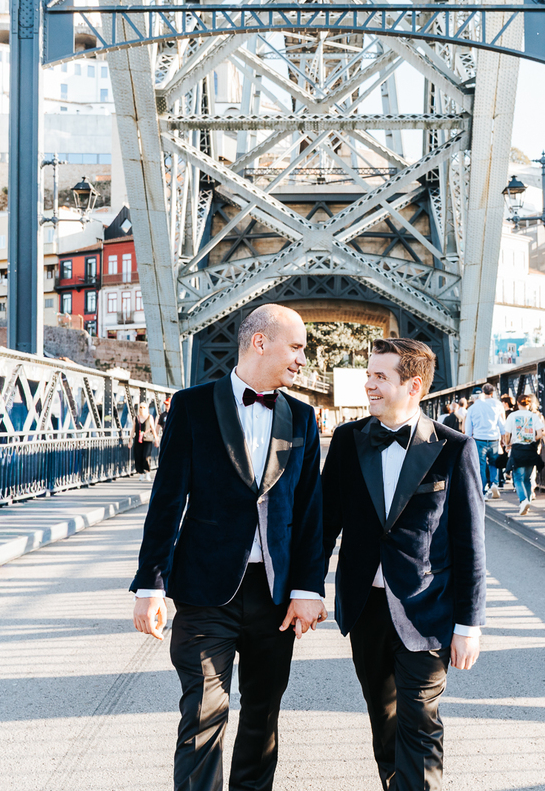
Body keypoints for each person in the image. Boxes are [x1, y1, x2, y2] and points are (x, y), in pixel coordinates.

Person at [129, 303, 327, 791]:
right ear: (261, 342)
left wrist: (308, 587)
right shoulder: (192, 405)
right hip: (204, 591)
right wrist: (150, 585)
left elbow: (309, 514)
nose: (303, 359)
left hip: (275, 596)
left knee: (262, 718)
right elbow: (167, 500)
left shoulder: (302, 419)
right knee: (202, 717)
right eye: (297, 347)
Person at [322, 338, 486, 791]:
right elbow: (324, 524)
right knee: (385, 723)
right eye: (368, 374)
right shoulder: (347, 440)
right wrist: (307, 589)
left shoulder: (455, 448)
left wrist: (470, 625)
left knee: (421, 723)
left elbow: (470, 543)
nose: (368, 384)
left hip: (428, 610)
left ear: (412, 385)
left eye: (380, 376)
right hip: (366, 609)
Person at [503, 394, 544, 516]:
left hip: (517, 450)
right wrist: (531, 440)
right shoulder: (534, 416)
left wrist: (508, 443)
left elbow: (507, 434)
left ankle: (523, 500)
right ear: (529, 404)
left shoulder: (512, 416)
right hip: (531, 450)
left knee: (517, 478)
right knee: (527, 478)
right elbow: (540, 434)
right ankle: (528, 501)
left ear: (518, 403)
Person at [464, 383, 506, 499]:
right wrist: (503, 439)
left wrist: (468, 440)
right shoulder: (495, 406)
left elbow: (468, 428)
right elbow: (501, 424)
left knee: (481, 465)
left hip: (479, 439)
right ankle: (494, 483)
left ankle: (482, 490)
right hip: (494, 439)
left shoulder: (472, 408)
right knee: (494, 463)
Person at [132, 401, 158, 477]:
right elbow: (133, 429)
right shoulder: (136, 418)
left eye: (144, 407)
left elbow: (153, 429)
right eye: (140, 407)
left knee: (146, 456)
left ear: (146, 408)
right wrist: (130, 440)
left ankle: (147, 472)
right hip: (138, 440)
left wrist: (156, 439)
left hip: (148, 439)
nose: (142, 409)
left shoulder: (150, 417)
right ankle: (141, 473)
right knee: (138, 456)